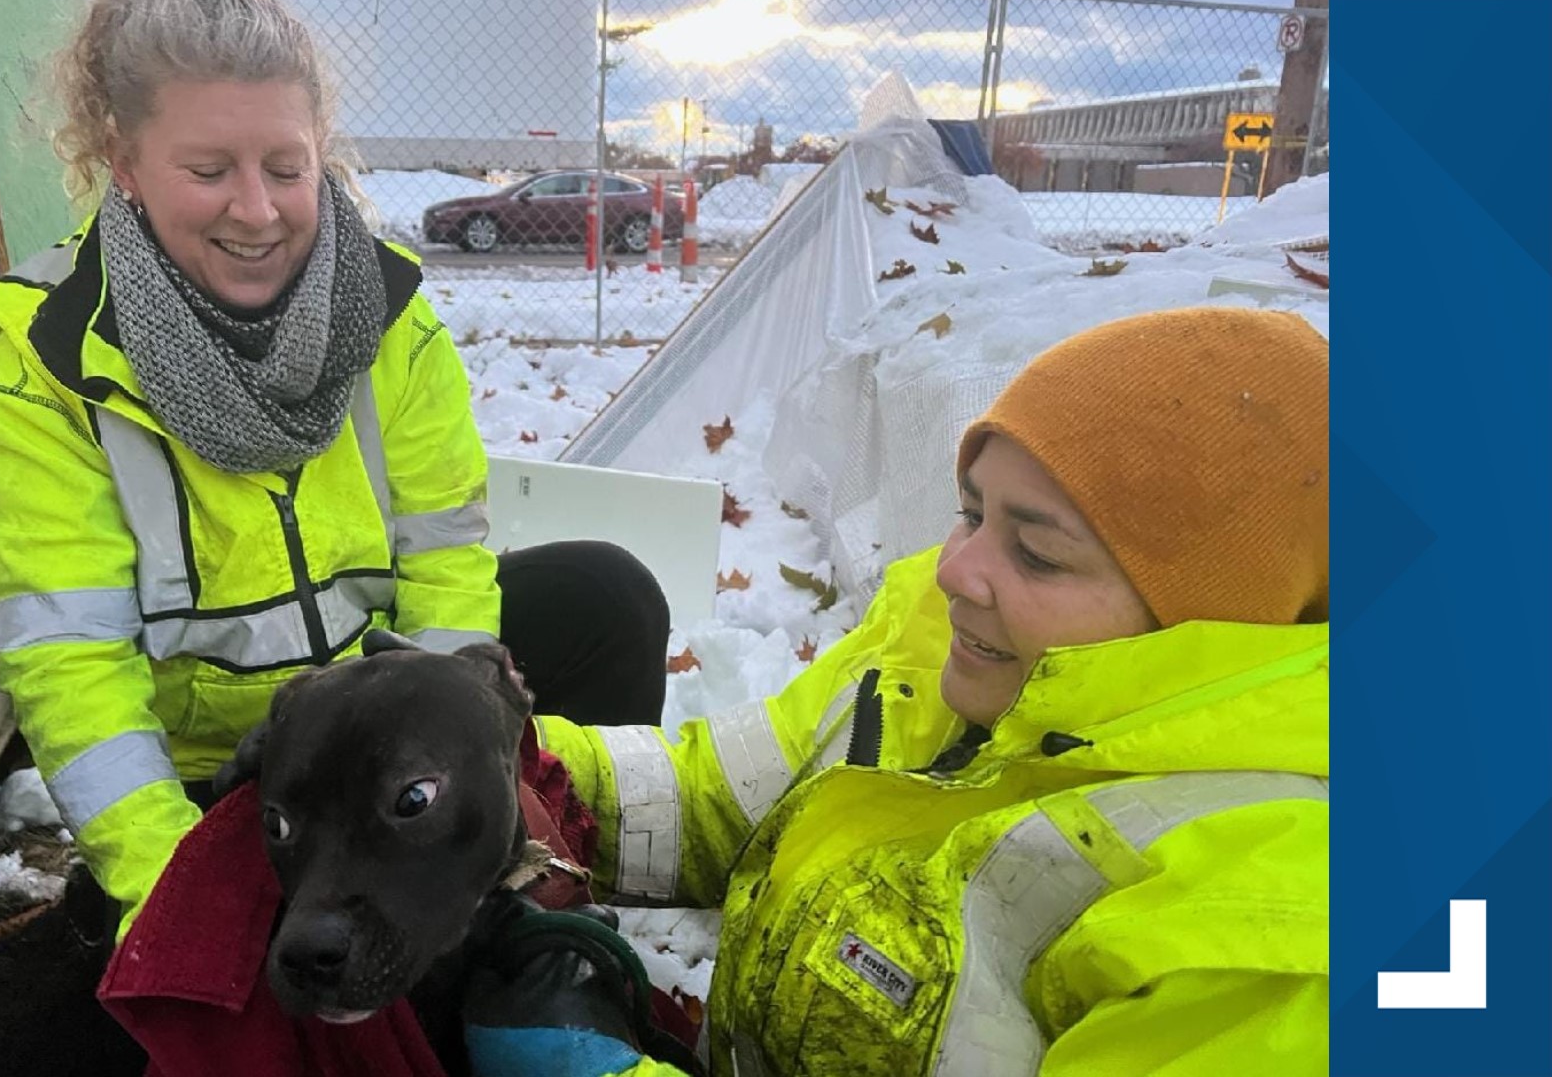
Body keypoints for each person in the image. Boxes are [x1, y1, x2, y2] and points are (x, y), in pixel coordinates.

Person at [0, 0, 668, 943]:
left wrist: (457, 775)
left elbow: (445, 564)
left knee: (607, 597)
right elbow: (70, 664)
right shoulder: (44, 365)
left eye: (285, 168)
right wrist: (177, 897)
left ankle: (553, 894)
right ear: (123, 166)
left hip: (385, 727)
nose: (257, 211)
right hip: (223, 776)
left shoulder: (390, 317)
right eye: (208, 171)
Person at [473, 307, 1330, 1076]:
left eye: (1035, 553)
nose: (957, 570)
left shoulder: (1258, 937)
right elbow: (719, 800)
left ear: (1206, 620)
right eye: (971, 512)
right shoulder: (941, 650)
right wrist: (507, 764)